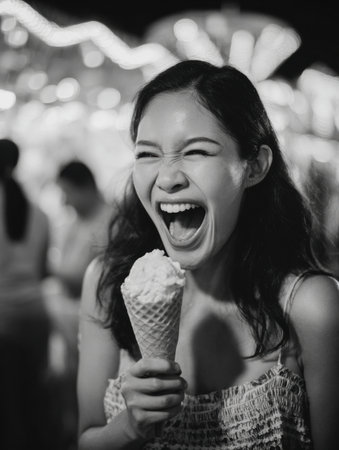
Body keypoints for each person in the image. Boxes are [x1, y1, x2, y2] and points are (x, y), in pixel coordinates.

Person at [77, 60, 339, 449]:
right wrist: (130, 426)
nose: (167, 178)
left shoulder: (310, 307)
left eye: (196, 151)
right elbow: (84, 438)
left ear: (255, 166)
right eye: (147, 154)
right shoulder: (108, 282)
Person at [0, 138, 51, 449]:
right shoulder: (40, 213)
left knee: (7, 410)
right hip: (36, 314)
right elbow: (44, 271)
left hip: (2, 318)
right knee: (35, 400)